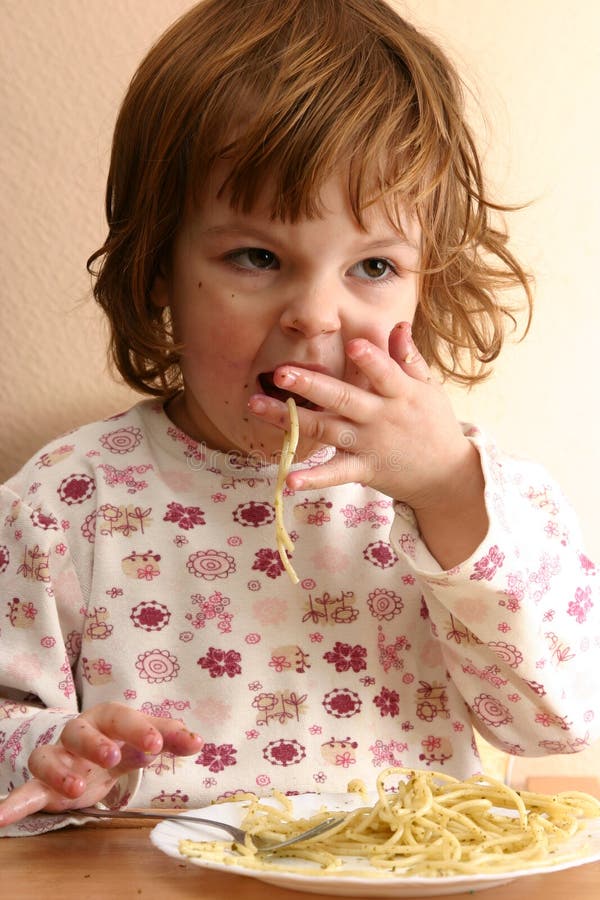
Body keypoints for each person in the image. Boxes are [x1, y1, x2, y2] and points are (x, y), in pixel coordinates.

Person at [1, 0, 598, 837]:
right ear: (157, 267)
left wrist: (449, 494)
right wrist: (48, 751)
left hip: (407, 874)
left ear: (427, 285)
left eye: (374, 266)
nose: (315, 315)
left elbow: (559, 725)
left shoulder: (471, 501)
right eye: (257, 257)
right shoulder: (67, 503)